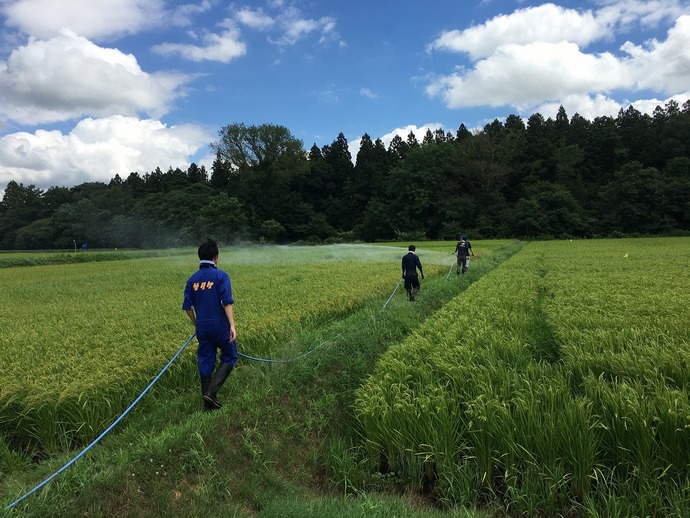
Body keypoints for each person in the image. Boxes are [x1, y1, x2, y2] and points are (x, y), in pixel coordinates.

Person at [182, 238, 238, 411]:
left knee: (205, 360)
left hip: (203, 328)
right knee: (230, 356)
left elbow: (187, 307)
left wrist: (197, 324)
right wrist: (232, 325)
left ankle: (208, 406)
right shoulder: (221, 276)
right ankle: (211, 393)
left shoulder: (192, 280)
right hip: (220, 325)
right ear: (216, 257)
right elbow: (226, 302)